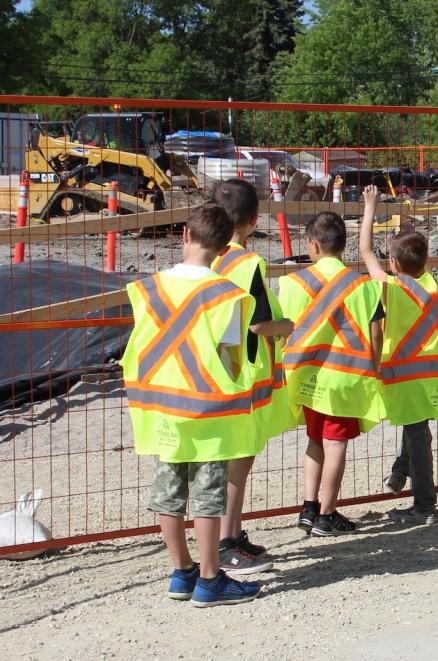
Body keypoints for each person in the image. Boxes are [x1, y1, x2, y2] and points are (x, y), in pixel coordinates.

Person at [122, 203, 262, 606]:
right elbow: (231, 358)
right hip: (206, 411)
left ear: (186, 235)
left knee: (168, 493)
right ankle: (210, 578)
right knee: (207, 497)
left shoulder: (148, 289)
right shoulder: (227, 296)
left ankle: (182, 572)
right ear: (224, 247)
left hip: (159, 407)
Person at [209, 179, 296, 575]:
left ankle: (231, 535)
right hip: (241, 373)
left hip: (214, 368)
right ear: (254, 220)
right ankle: (226, 542)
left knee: (226, 462)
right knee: (238, 464)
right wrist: (286, 325)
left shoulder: (207, 258)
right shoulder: (247, 264)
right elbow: (259, 325)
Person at [280, 212, 385, 536]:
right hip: (345, 376)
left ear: (313, 245)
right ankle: (327, 514)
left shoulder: (293, 283)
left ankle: (309, 507)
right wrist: (374, 368)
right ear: (343, 245)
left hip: (306, 376)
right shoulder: (364, 286)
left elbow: (283, 330)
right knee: (335, 443)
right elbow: (377, 333)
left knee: (315, 439)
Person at [356, 186, 438, 525]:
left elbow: (365, 250)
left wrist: (370, 207)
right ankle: (400, 471)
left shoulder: (390, 287)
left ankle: (424, 506)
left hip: (405, 375)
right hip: (433, 373)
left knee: (418, 438)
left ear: (394, 264)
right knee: (416, 429)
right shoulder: (433, 284)